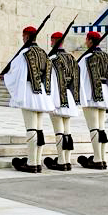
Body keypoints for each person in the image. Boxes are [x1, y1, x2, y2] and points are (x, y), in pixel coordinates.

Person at [0, 26, 56, 173]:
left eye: (23, 36)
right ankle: (37, 162)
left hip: (30, 93)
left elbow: (17, 72)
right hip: (41, 93)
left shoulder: (24, 53)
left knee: (31, 128)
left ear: (26, 36)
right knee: (38, 129)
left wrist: (4, 77)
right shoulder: (43, 53)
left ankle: (32, 163)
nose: (22, 38)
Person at [77, 30, 108, 169]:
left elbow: (79, 78)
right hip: (105, 94)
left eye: (86, 39)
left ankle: (97, 159)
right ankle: (102, 158)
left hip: (91, 95)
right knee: (101, 128)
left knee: (94, 127)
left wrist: (77, 96)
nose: (85, 42)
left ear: (90, 40)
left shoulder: (87, 58)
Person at [44, 31, 81, 172]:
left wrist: (48, 98)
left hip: (57, 97)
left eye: (51, 40)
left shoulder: (52, 59)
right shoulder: (71, 58)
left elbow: (49, 80)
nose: (51, 43)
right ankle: (67, 161)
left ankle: (61, 161)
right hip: (70, 97)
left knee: (59, 130)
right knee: (67, 131)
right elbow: (76, 80)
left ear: (53, 41)